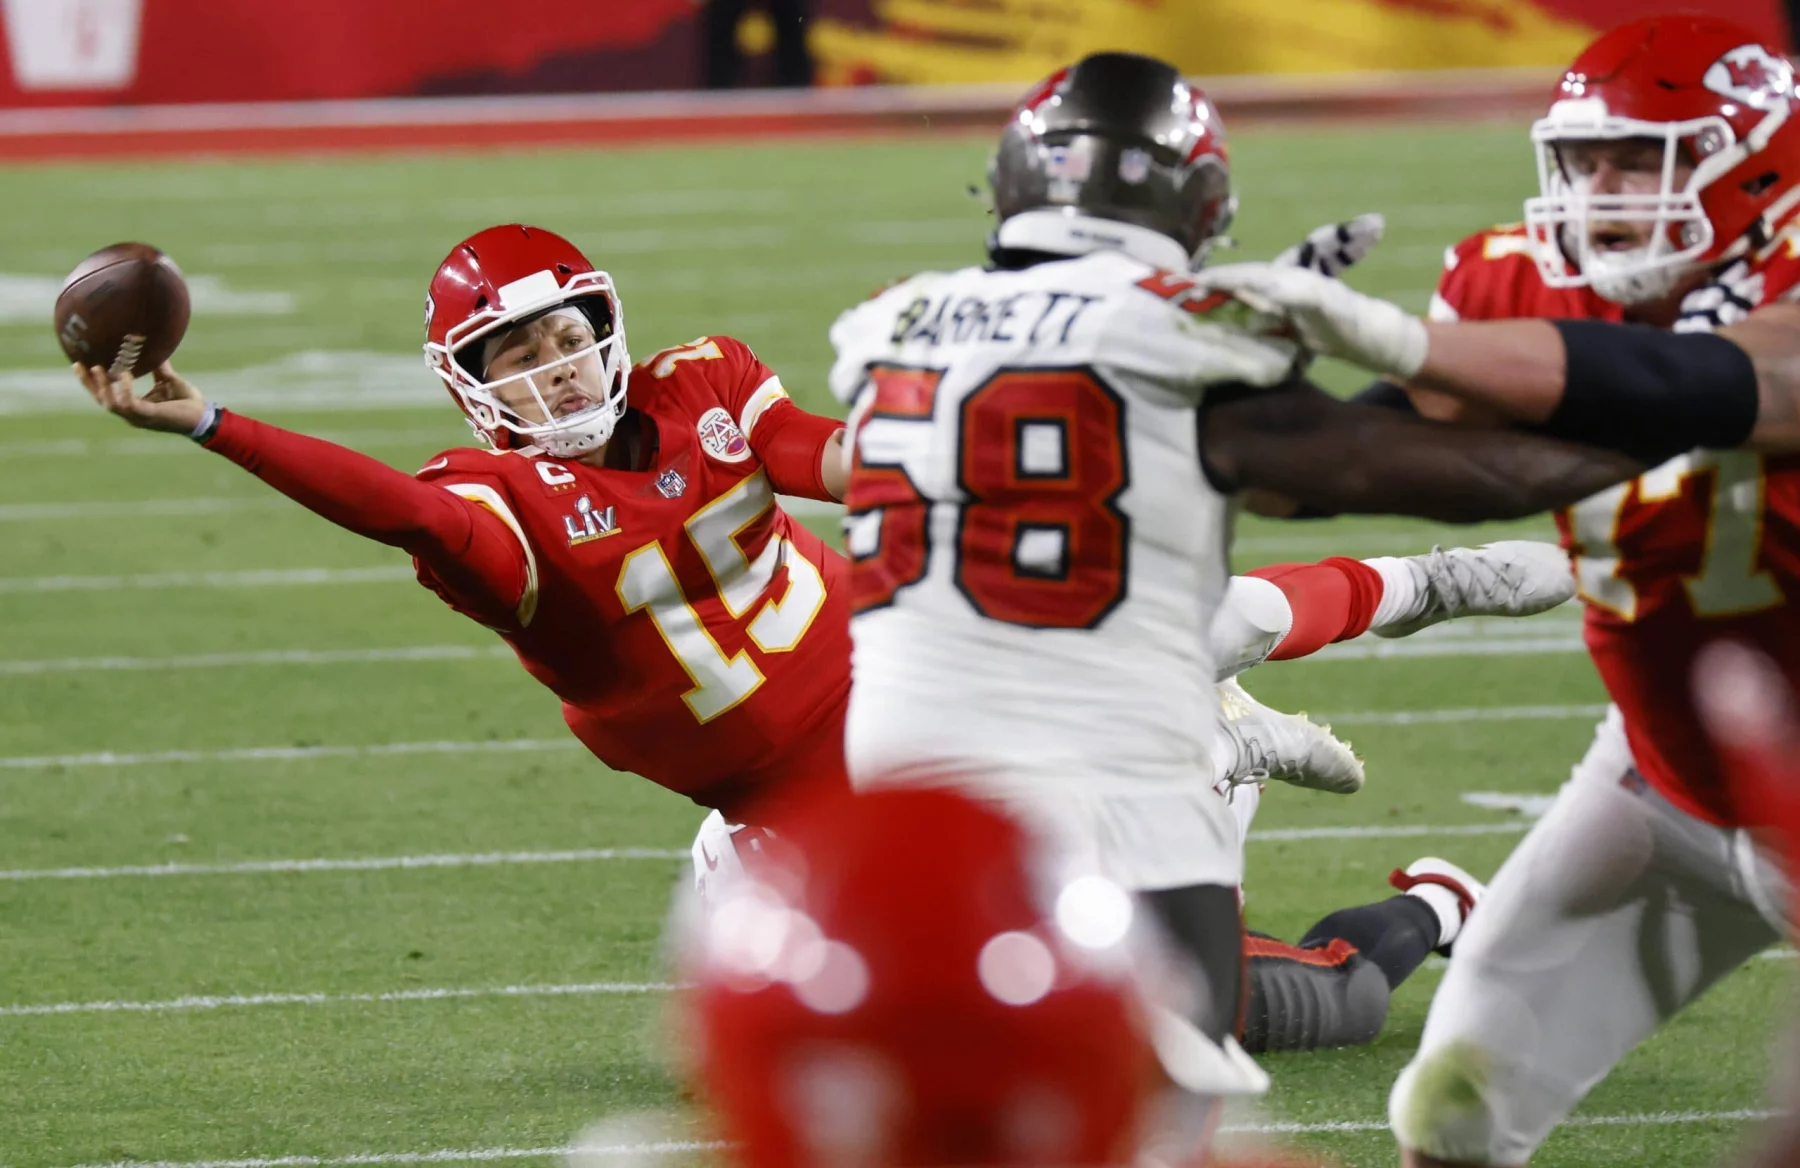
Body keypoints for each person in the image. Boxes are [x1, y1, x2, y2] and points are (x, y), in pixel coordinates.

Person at [825, 49, 1659, 1124]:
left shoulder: (890, 324)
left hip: (895, 803)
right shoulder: (1180, 336)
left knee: (923, 1116)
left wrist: (1232, 351)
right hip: (1122, 798)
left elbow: (1065, 395)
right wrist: (1690, 440)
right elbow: (1414, 473)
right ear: (1197, 197)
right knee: (1164, 1112)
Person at [1194, 15, 1800, 1165]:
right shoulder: (1528, 278)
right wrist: (1246, 408)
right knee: (1452, 1114)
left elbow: (1710, 381)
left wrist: (1402, 341)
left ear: (1758, 160)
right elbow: (1403, 462)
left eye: (1642, 158)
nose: (1604, 190)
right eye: (1585, 159)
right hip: (1661, 775)